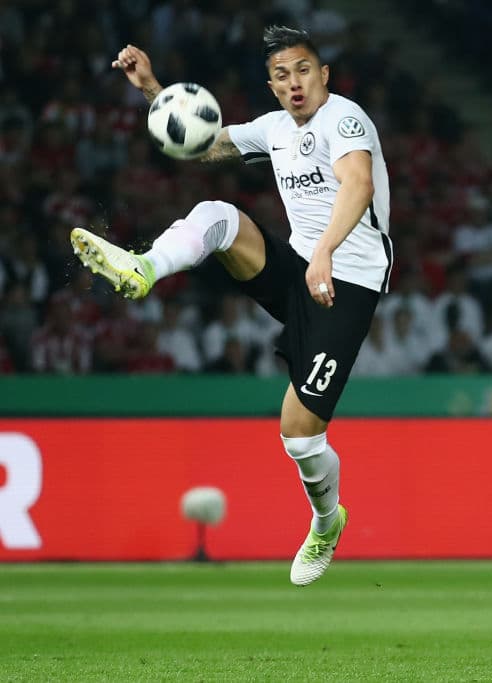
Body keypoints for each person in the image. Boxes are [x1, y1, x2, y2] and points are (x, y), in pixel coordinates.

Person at [70, 26, 392, 587]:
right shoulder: (273, 128)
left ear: (324, 76)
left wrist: (325, 252)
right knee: (217, 212)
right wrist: (152, 90)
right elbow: (208, 144)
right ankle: (144, 269)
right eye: (282, 75)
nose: (294, 83)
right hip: (300, 268)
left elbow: (358, 185)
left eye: (303, 70)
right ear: (271, 86)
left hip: (349, 283)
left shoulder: (344, 118)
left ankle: (326, 519)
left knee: (299, 435)